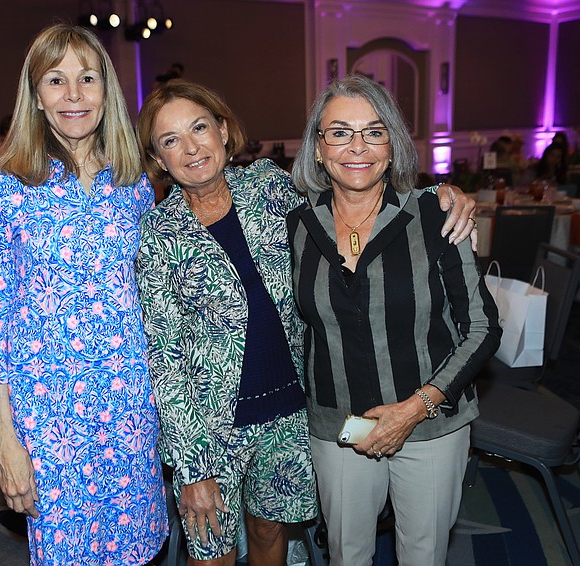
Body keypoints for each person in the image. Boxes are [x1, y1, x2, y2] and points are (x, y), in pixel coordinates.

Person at [134, 79, 478, 565]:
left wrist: (446, 192)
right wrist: (191, 467)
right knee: (209, 553)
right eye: (170, 140)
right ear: (157, 157)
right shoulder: (156, 234)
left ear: (224, 132)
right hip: (212, 428)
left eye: (199, 128)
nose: (190, 148)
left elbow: (351, 180)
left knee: (270, 535)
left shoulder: (271, 189)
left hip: (288, 415)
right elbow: (164, 359)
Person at [287, 75, 502, 566]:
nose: (357, 146)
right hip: (339, 423)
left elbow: (483, 328)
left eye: (375, 132)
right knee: (347, 553)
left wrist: (418, 406)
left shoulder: (435, 214)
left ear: (392, 146)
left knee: (423, 555)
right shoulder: (295, 227)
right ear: (318, 149)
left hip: (431, 421)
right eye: (340, 132)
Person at [0, 24, 167, 564]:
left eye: (88, 78)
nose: (74, 95)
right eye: (56, 80)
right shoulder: (5, 182)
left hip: (130, 406)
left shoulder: (132, 181)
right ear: (35, 95)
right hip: (51, 419)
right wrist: (5, 439)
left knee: (138, 549)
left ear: (107, 90)